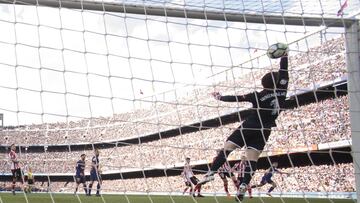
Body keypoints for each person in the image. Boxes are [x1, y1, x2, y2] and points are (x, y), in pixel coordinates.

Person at [198, 54, 289, 202]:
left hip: (250, 125)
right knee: (252, 160)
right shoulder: (283, 90)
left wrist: (220, 97)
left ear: (263, 84)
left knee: (227, 149)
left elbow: (237, 98)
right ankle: (244, 185)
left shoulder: (257, 95)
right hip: (264, 130)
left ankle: (211, 173)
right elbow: (284, 70)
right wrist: (284, 56)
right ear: (278, 82)